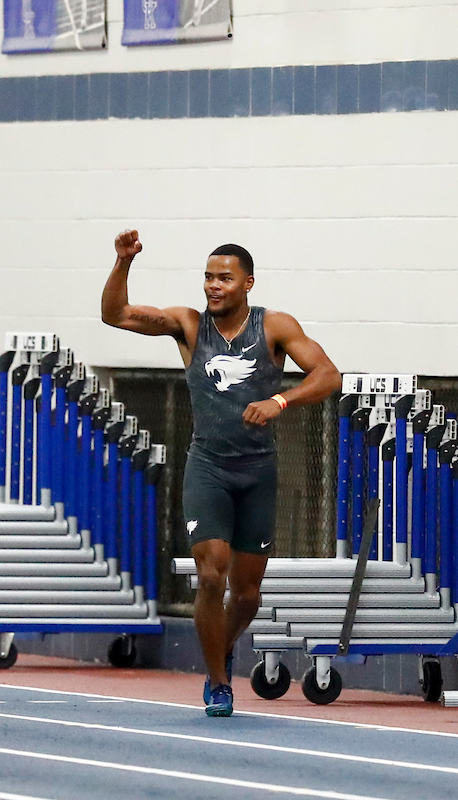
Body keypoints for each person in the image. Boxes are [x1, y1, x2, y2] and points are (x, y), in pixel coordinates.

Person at [101, 230, 341, 717]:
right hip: (208, 467)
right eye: (208, 277)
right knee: (212, 574)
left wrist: (279, 401)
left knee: (248, 594)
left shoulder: (273, 326)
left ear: (247, 283)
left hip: (257, 471)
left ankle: (220, 646)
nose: (214, 286)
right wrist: (123, 262)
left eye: (225, 278)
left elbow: (328, 375)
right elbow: (116, 315)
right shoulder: (189, 327)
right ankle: (216, 680)